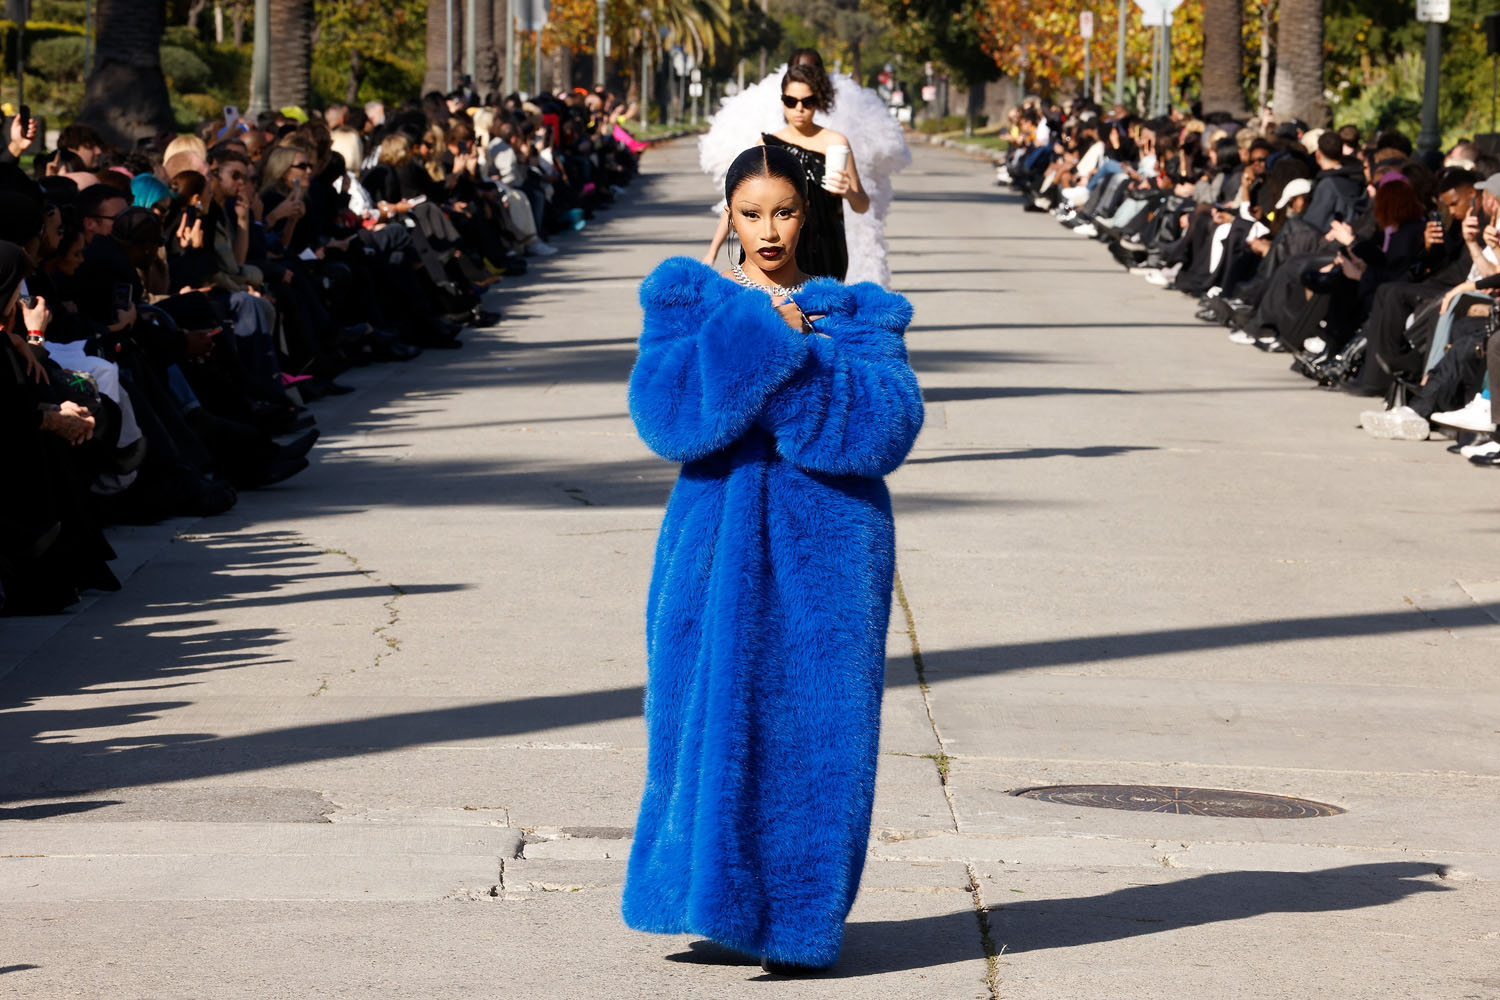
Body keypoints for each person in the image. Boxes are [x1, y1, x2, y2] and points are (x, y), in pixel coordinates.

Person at [621, 145, 923, 973]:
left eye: (784, 211)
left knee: (816, 732)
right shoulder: (689, 302)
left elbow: (879, 432)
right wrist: (760, 334)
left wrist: (790, 354)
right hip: (709, 550)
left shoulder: (859, 314)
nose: (767, 231)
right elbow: (669, 419)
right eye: (750, 213)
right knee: (697, 725)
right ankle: (714, 909)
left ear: (807, 213)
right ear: (728, 215)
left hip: (828, 553)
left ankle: (795, 924)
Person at [699, 48, 909, 286]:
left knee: (820, 306)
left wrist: (848, 192)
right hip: (776, 242)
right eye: (791, 101)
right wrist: (712, 252)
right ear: (782, 102)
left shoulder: (835, 142)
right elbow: (740, 203)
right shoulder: (767, 145)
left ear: (818, 101)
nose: (799, 108)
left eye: (807, 102)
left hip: (825, 246)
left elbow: (862, 204)